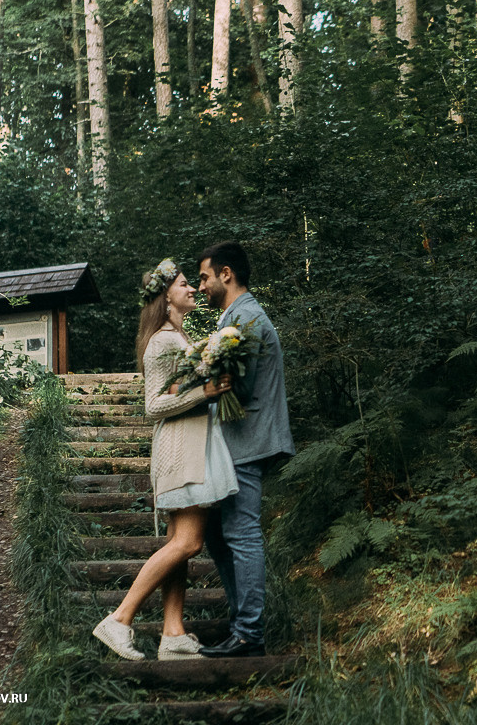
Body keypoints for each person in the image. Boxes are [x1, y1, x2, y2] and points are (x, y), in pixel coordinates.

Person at [92, 259, 239, 661]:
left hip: (189, 446)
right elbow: (154, 405)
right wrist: (204, 394)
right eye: (185, 284)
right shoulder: (161, 340)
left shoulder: (178, 336)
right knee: (190, 542)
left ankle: (173, 633)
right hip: (179, 450)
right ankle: (119, 619)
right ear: (166, 295)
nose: (193, 289)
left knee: (179, 543)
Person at [195, 241, 295, 658]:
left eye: (203, 277)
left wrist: (201, 383)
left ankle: (250, 634)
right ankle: (241, 623)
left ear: (226, 274)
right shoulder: (233, 318)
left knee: (241, 534)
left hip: (247, 442)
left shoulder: (248, 318)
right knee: (217, 536)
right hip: (233, 441)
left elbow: (244, 385)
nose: (200, 287)